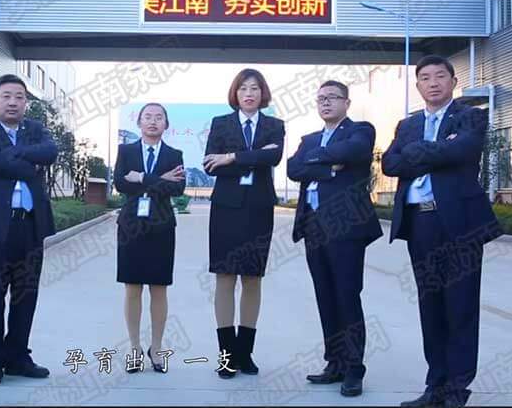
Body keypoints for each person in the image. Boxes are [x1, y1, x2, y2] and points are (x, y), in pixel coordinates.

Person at [382, 55, 502, 408]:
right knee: (430, 305)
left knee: (461, 305)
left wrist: (418, 153)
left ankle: (457, 390)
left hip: (460, 224)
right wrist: (439, 150)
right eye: (425, 77)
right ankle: (434, 386)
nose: (432, 83)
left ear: (453, 81)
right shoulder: (407, 124)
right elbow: (390, 162)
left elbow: (463, 149)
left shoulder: (470, 116)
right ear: (418, 85)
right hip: (420, 223)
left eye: (439, 76)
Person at [286, 80, 382, 397]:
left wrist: (314, 160)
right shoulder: (309, 139)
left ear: (346, 103)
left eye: (332, 97)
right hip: (313, 225)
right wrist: (329, 168)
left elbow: (354, 151)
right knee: (325, 296)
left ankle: (354, 368)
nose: (325, 103)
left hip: (345, 227)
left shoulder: (360, 131)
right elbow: (293, 168)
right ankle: (335, 363)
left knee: (347, 295)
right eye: (320, 99)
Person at [0, 74, 58, 386]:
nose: (13, 102)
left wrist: (15, 154)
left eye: (19, 96)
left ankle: (18, 357)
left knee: (26, 293)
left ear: (26, 102)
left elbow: (50, 152)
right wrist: (27, 162)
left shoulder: (35, 129)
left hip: (30, 224)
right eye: (6, 96)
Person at [203, 68, 285, 379]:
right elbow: (210, 165)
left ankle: (245, 353)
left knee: (252, 279)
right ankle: (227, 355)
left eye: (254, 88)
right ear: (235, 94)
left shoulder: (274, 125)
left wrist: (232, 157)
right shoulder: (220, 123)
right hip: (226, 208)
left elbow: (273, 158)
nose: (249, 93)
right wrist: (253, 156)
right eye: (243, 88)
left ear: (263, 93)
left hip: (259, 208)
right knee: (225, 278)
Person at [113, 103, 186, 373]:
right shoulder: (126, 151)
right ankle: (134, 348)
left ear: (166, 124)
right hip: (131, 226)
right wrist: (160, 179)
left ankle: (156, 348)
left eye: (158, 117)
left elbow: (177, 188)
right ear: (139, 123)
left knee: (159, 288)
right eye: (147, 117)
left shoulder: (174, 154)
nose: (153, 121)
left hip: (161, 227)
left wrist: (143, 177)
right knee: (132, 287)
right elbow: (121, 183)